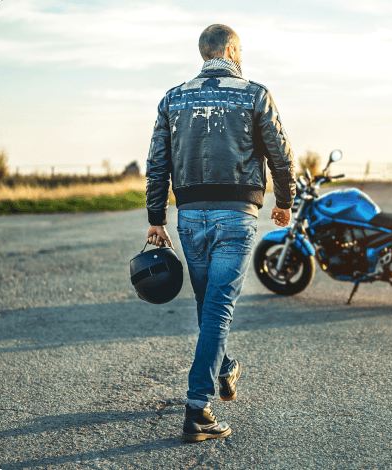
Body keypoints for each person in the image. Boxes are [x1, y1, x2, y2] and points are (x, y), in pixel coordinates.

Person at [145, 24, 296, 442]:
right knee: (218, 310)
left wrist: (156, 217)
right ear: (231, 50)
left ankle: (225, 367)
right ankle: (197, 408)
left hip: (190, 216)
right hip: (236, 216)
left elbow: (158, 163)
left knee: (208, 304)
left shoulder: (172, 99)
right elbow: (281, 155)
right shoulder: (254, 94)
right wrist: (285, 201)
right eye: (240, 49)